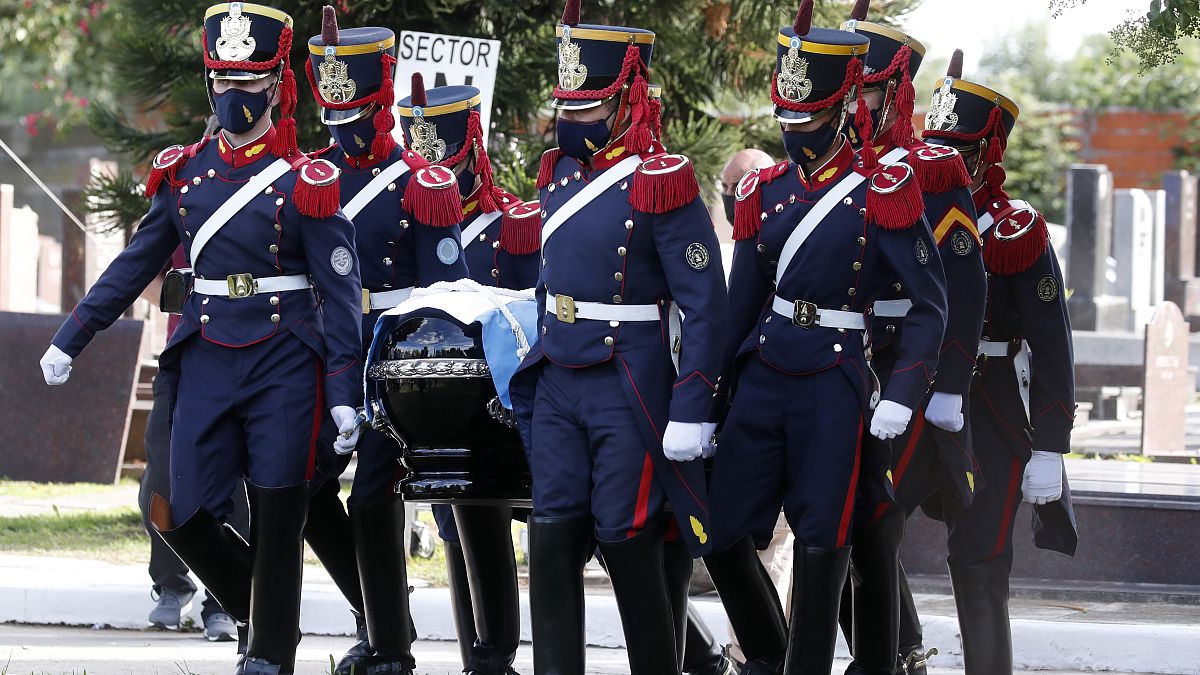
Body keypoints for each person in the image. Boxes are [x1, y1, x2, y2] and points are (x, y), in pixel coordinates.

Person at [39, 4, 364, 673]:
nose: (233, 96)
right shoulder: (183, 171)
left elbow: (338, 298)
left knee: (278, 508)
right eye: (223, 81)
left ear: (276, 84)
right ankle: (267, 607)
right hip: (207, 354)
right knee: (179, 509)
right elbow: (134, 264)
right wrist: (74, 335)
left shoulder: (308, 181)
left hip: (284, 358)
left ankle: (268, 652)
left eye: (248, 83)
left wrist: (342, 390)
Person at [703, 2, 948, 674]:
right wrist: (705, 401)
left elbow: (931, 303)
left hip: (833, 381)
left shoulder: (883, 189)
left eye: (806, 116)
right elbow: (737, 310)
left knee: (821, 541)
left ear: (843, 108)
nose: (792, 130)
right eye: (784, 116)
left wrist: (903, 390)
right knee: (721, 534)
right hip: (763, 375)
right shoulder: (765, 191)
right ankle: (772, 655)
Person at [508, 0, 728, 672]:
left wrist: (691, 405)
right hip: (558, 374)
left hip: (626, 378)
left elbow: (706, 302)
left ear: (626, 101)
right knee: (551, 530)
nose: (568, 120)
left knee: (625, 533)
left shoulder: (661, 182)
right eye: (566, 107)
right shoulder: (558, 175)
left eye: (585, 108)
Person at [304, 8, 467, 674]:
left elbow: (448, 292)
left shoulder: (423, 184)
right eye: (334, 116)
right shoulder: (311, 176)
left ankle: (389, 648)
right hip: (326, 350)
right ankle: (379, 613)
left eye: (358, 113)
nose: (345, 132)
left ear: (383, 102)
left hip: (394, 357)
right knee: (306, 489)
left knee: (373, 494)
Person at [907, 49, 1077, 675]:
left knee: (977, 561)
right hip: (910, 392)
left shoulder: (1015, 231)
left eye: (961, 150)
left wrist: (1052, 445)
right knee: (864, 532)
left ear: (987, 156)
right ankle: (900, 655)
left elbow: (1052, 341)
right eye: (939, 144)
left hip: (990, 408)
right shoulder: (903, 208)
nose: (946, 159)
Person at [834, 3, 989, 674]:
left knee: (876, 516)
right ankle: (894, 647)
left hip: (908, 365)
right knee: (833, 512)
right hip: (838, 358)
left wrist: (947, 385)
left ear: (891, 89)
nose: (850, 102)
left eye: (861, 87)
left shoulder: (931, 169)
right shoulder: (832, 163)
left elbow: (966, 286)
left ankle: (891, 652)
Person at [394, 73, 534, 675]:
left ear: (473, 149)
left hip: (512, 396)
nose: (437, 177)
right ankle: (486, 656)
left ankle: (698, 651)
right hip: (443, 400)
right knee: (458, 519)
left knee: (605, 541)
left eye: (446, 160)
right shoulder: (411, 222)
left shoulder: (513, 225)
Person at [138, 247, 250, 642]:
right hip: (182, 358)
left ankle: (224, 599)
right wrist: (187, 295)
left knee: (233, 481)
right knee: (164, 475)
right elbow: (145, 277)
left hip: (246, 358)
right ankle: (171, 583)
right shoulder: (177, 198)